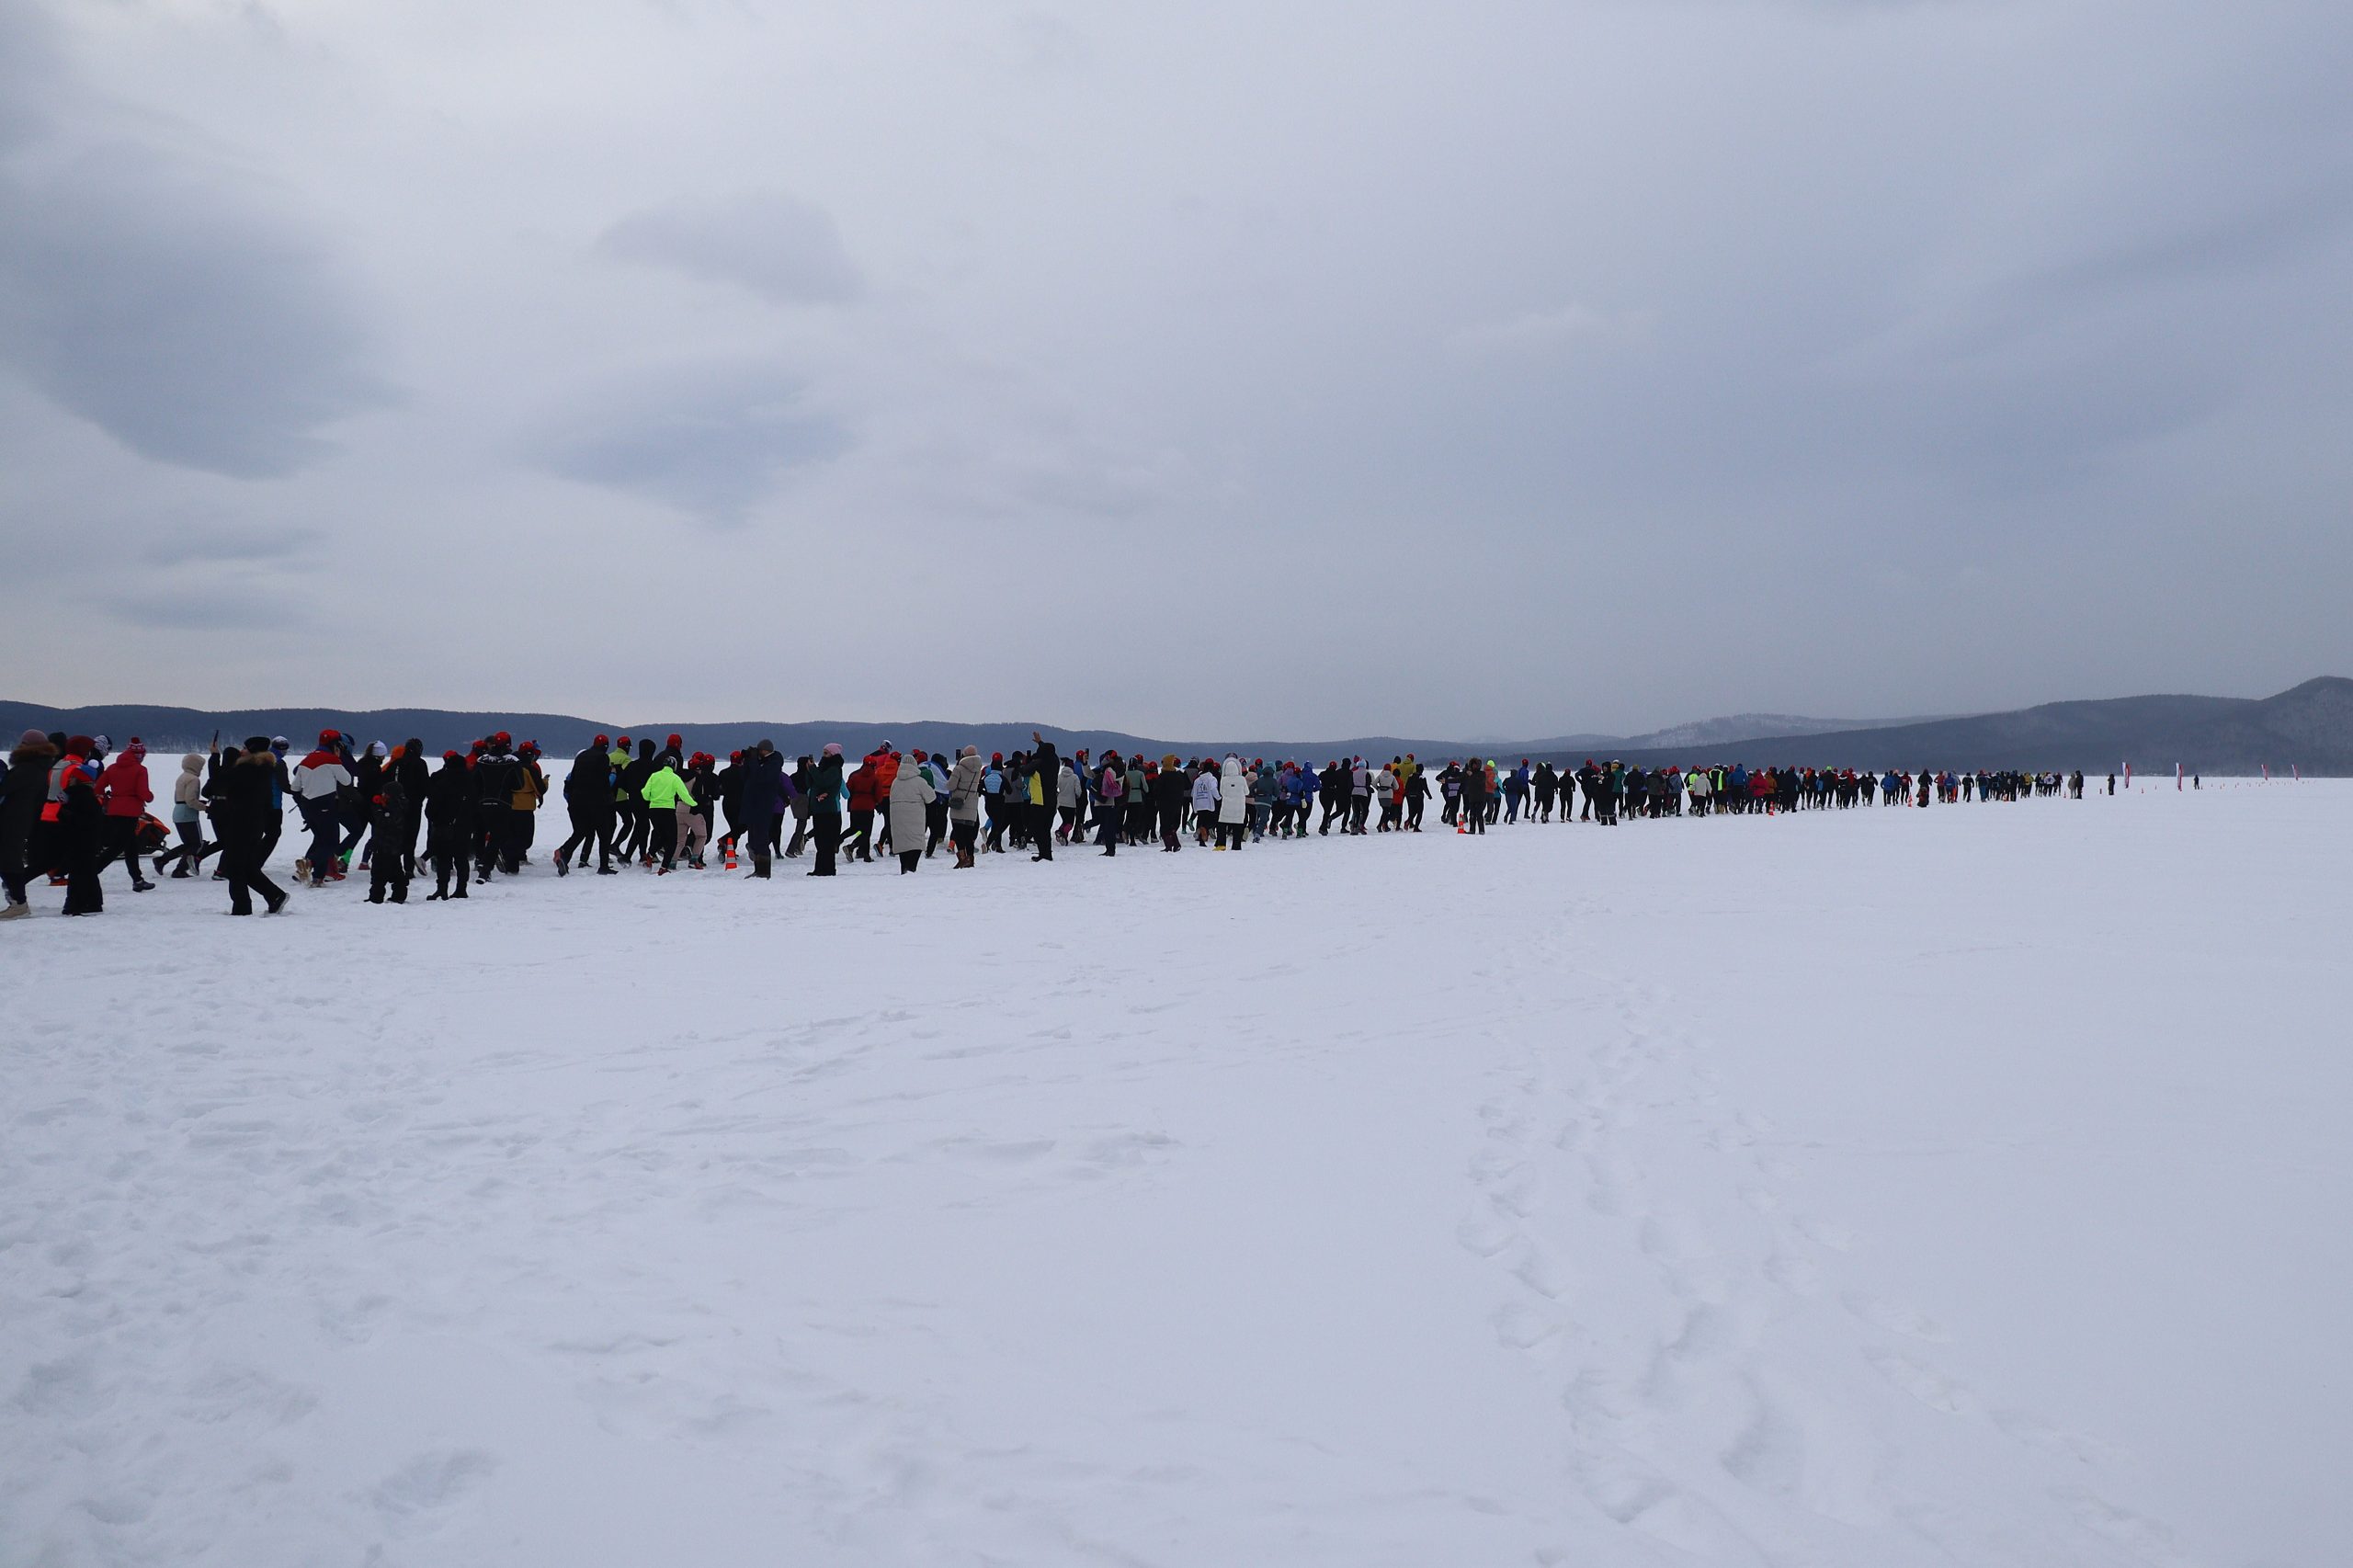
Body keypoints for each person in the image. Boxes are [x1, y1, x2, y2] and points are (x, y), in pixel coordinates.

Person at [216, 736, 290, 915]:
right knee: (246, 866)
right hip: (255, 824)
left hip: (241, 823)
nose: (241, 751)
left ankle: (243, 907)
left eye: (245, 748)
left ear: (252, 751)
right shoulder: (265, 768)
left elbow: (218, 783)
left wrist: (215, 757)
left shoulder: (245, 769)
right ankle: (274, 895)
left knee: (234, 867)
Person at [1, 730, 57, 918]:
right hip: (20, 819)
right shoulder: (39, 767)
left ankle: (19, 903)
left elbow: (4, 788)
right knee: (9, 860)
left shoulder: (27, 769)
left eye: (23, 743)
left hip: (12, 821)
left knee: (9, 861)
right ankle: (17, 901)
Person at [290, 730, 352, 885]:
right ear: (335, 745)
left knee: (320, 839)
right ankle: (308, 863)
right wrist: (338, 760)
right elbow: (347, 780)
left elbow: (295, 787)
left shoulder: (306, 759)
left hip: (308, 805)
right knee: (332, 843)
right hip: (326, 804)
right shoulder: (332, 760)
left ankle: (318, 877)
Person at [97, 739, 156, 892]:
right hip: (130, 812)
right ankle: (91, 871)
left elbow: (98, 787)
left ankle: (137, 879)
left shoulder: (112, 768)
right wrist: (149, 797)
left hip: (114, 810)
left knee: (131, 845)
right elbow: (142, 792)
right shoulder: (140, 770)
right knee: (118, 846)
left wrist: (107, 799)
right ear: (139, 755)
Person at [556, 736, 617, 875]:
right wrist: (609, 797)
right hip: (595, 802)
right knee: (604, 834)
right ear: (606, 746)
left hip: (576, 801)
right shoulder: (603, 757)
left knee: (581, 831)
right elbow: (603, 782)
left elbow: (573, 778)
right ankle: (603, 867)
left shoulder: (581, 756)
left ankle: (564, 854)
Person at [423, 750, 475, 900]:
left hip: (443, 825)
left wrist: (435, 820)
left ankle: (442, 889)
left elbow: (431, 808)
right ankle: (461, 889)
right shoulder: (471, 783)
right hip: (465, 826)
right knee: (461, 858)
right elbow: (475, 805)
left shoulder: (442, 782)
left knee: (444, 859)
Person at [887, 749, 936, 873]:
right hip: (915, 820)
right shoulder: (919, 781)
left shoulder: (895, 782)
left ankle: (904, 870)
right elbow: (931, 797)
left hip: (897, 819)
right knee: (915, 846)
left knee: (903, 846)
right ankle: (911, 872)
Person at [807, 744, 846, 876]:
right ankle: (820, 868)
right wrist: (810, 770)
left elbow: (823, 781)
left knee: (826, 842)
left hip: (828, 811)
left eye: (826, 753)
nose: (823, 756)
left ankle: (828, 869)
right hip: (820, 809)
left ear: (833, 754)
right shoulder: (824, 767)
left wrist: (813, 769)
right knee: (820, 841)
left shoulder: (834, 769)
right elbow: (814, 782)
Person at [947, 746, 985, 869]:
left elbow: (951, 786)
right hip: (972, 802)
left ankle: (962, 859)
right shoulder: (978, 769)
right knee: (969, 833)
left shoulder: (959, 768)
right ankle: (970, 858)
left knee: (958, 832)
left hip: (959, 802)